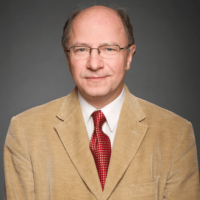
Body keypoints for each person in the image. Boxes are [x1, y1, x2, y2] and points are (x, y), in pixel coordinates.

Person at [4, 5, 200, 200]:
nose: (94, 64)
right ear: (67, 57)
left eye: (109, 48)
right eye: (81, 49)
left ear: (129, 56)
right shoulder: (24, 132)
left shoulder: (177, 134)